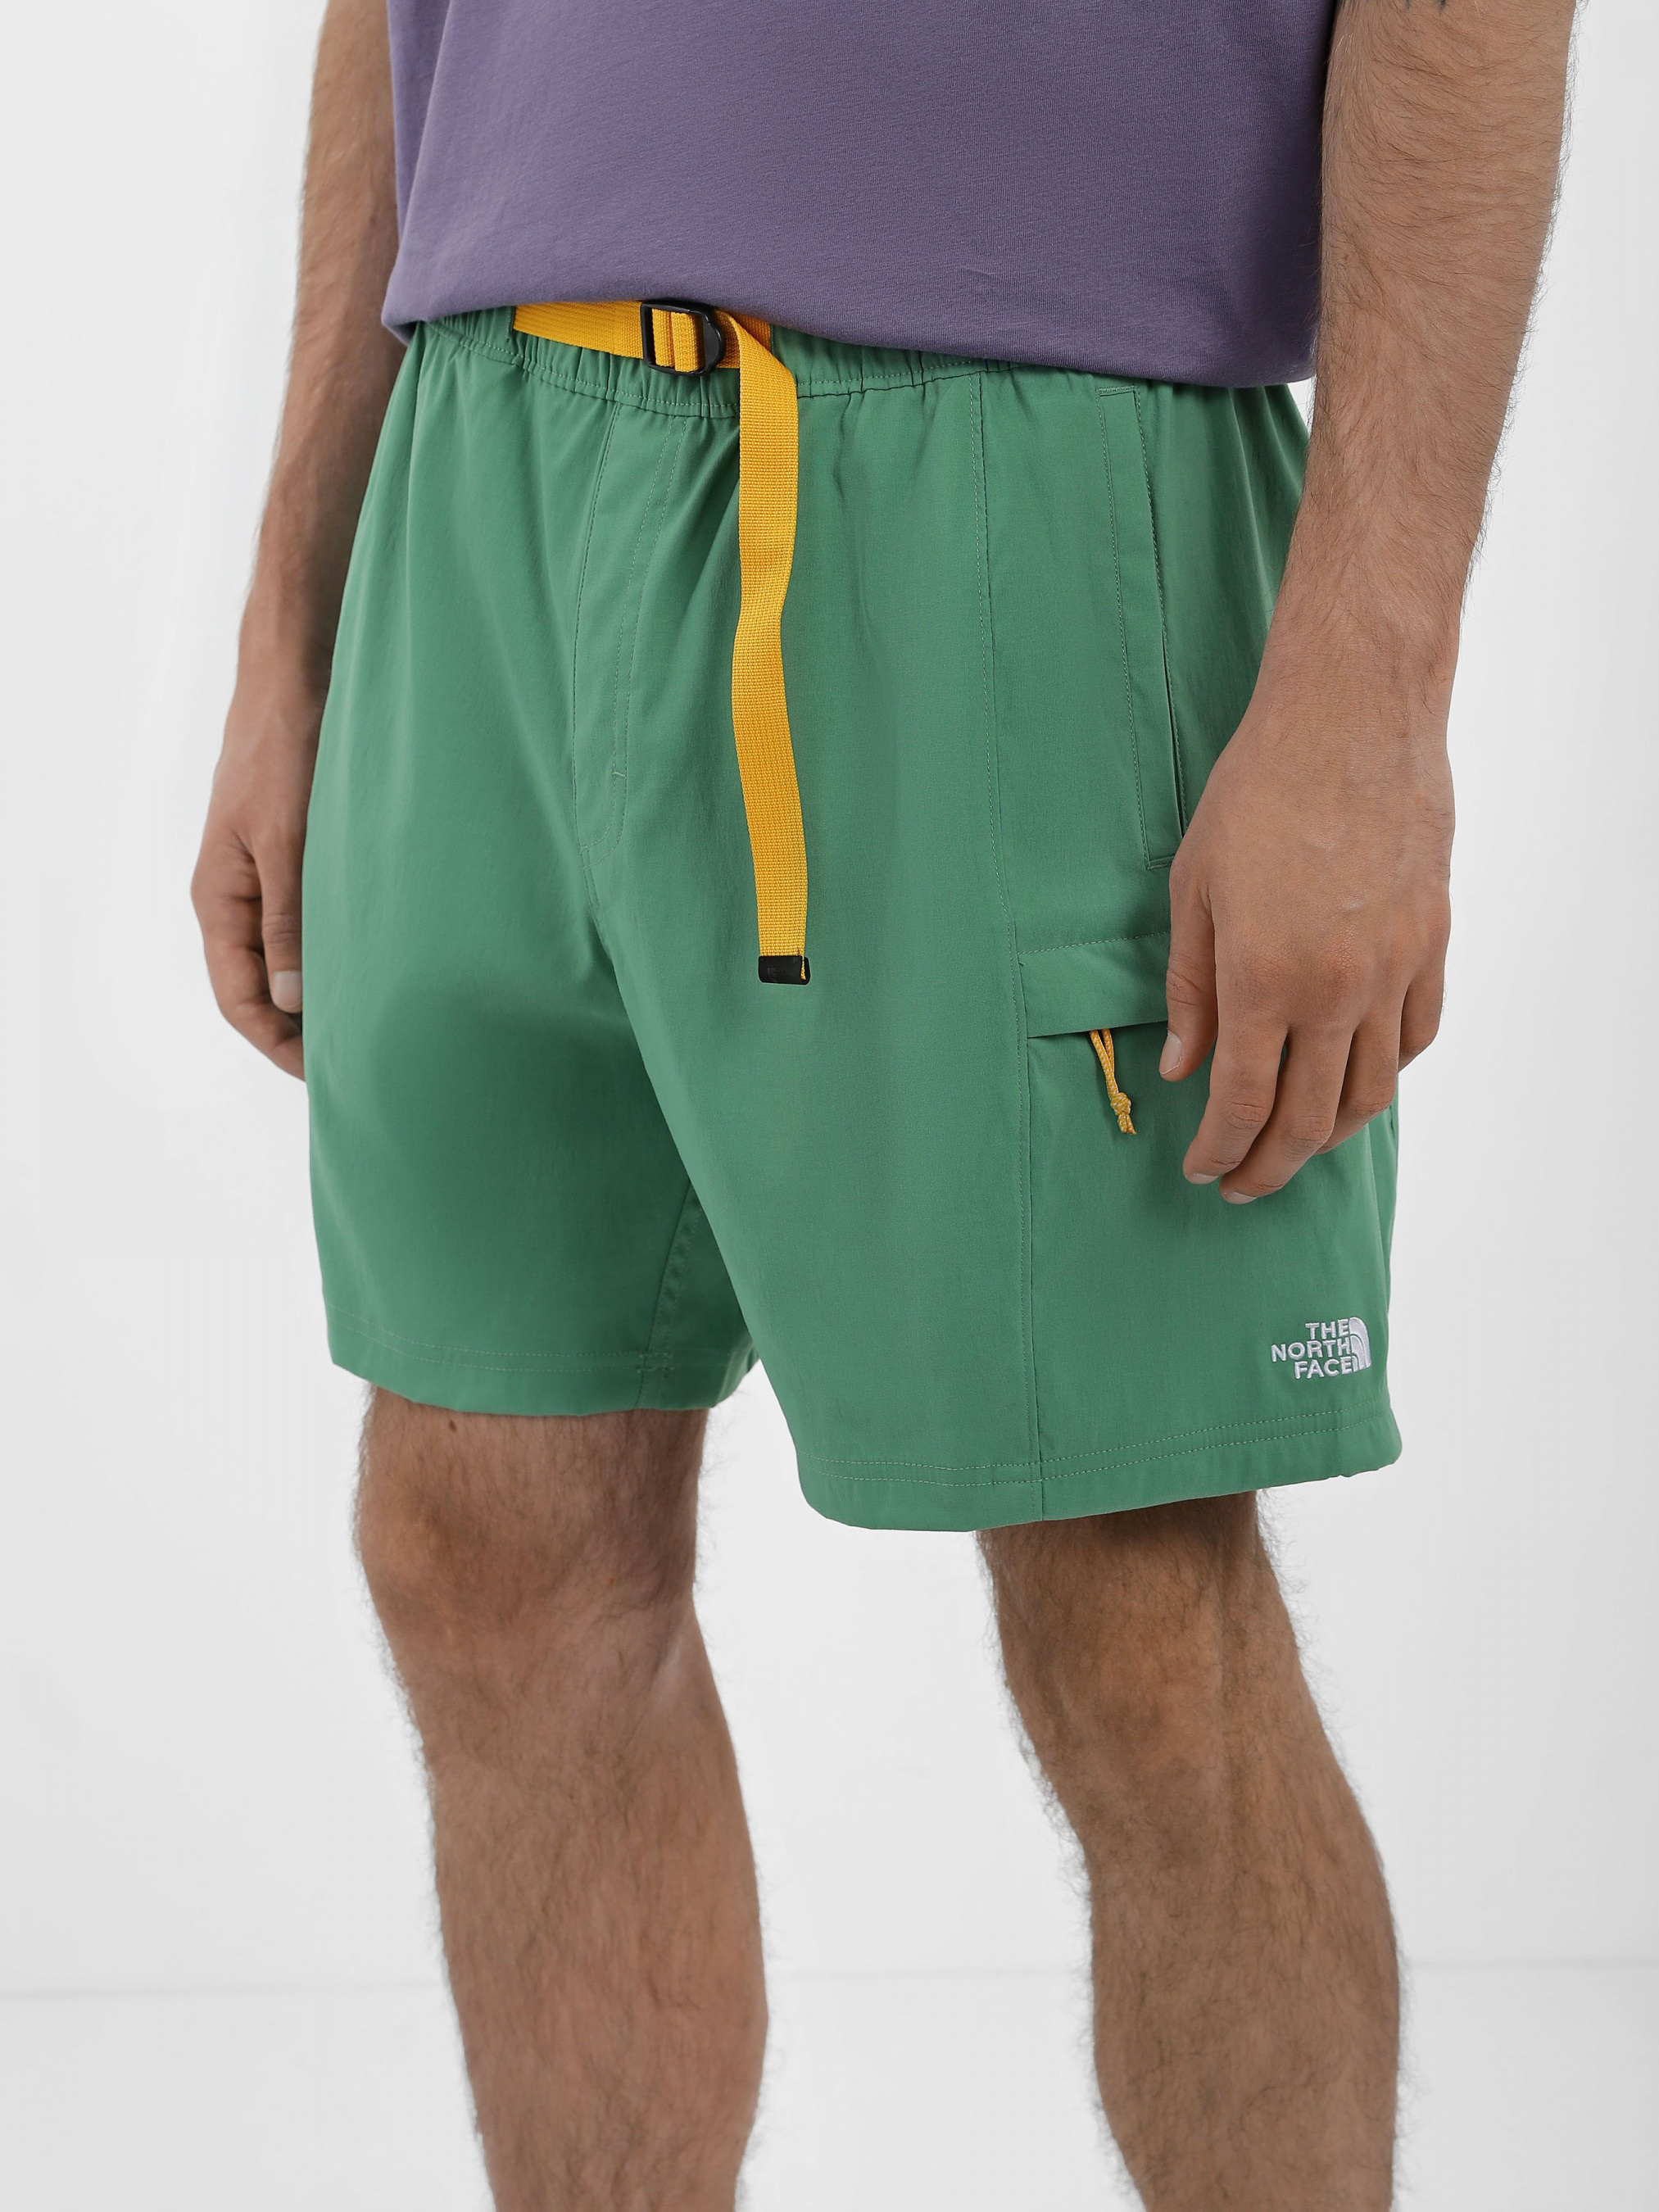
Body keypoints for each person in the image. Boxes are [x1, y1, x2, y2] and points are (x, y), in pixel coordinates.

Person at [192, 2, 1577, 2202]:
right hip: (479, 450)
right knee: (481, 1540)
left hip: (1018, 462)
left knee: (1134, 1608)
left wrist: (1373, 680)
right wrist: (296, 595)